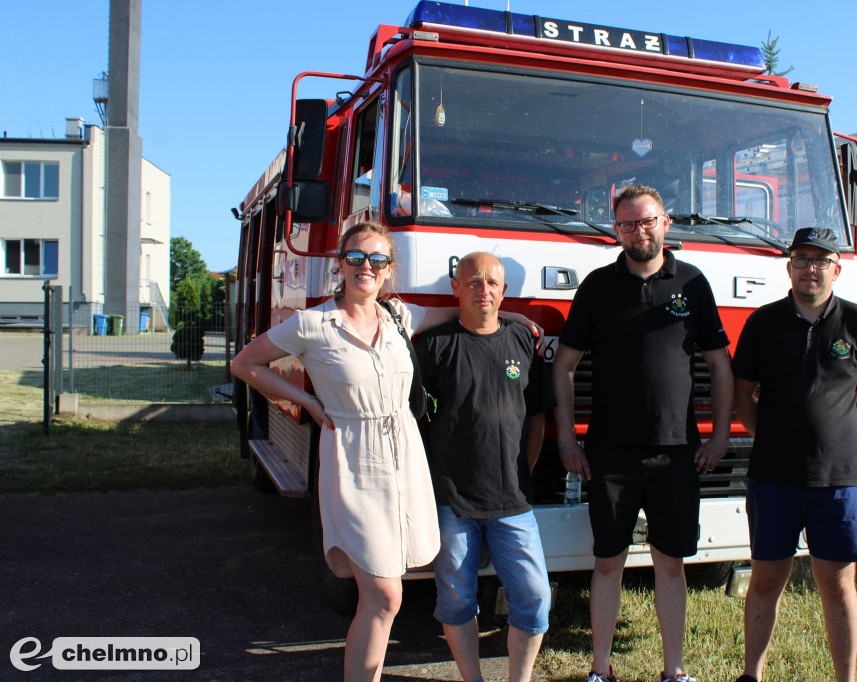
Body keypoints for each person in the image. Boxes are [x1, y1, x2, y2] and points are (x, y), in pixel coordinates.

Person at [230, 222, 541, 682]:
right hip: (354, 465)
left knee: (387, 594)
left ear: (389, 269)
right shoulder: (315, 323)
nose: (366, 267)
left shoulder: (399, 316)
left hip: (406, 461)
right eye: (356, 258)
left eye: (377, 260)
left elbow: (469, 317)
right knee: (384, 596)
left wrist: (516, 320)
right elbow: (244, 363)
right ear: (340, 264)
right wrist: (308, 401)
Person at [551, 184, 734, 682]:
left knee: (670, 564)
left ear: (665, 222)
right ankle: (600, 671)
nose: (639, 231)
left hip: (678, 452)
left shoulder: (693, 283)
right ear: (617, 231)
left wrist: (718, 437)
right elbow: (564, 367)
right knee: (608, 563)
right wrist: (568, 439)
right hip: (610, 452)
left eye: (647, 221)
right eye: (628, 224)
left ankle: (674, 672)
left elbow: (720, 366)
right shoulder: (596, 287)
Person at [730, 227, 857, 682]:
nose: (810, 268)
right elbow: (742, 396)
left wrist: (849, 434)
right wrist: (773, 437)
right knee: (765, 581)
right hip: (773, 478)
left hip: (840, 480)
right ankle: (752, 674)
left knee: (838, 585)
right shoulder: (762, 323)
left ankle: (846, 679)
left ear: (836, 269)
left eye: (820, 260)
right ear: (789, 268)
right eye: (801, 259)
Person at [415, 251, 554, 682]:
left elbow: (537, 418)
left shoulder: (522, 342)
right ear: (455, 288)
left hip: (513, 501)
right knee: (456, 603)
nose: (484, 290)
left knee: (534, 600)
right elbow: (413, 424)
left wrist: (522, 474)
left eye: (493, 283)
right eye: (473, 281)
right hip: (451, 501)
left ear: (504, 291)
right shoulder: (432, 347)